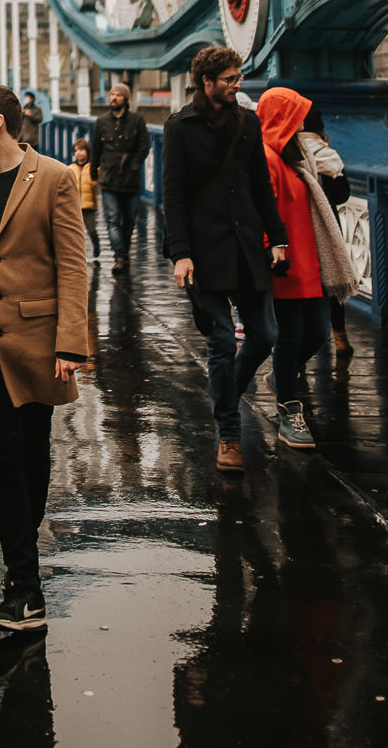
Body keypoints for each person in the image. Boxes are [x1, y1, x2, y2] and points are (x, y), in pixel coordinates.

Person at [0, 84, 88, 630]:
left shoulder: (55, 177)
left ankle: (20, 576)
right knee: (3, 464)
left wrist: (71, 342)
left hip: (37, 341)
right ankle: (26, 589)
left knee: (33, 460)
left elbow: (72, 264)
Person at [162, 46, 288, 474]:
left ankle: (226, 392)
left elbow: (261, 186)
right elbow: (173, 196)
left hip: (247, 245)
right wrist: (181, 253)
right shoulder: (179, 127)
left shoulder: (249, 123)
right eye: (230, 79)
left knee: (265, 335)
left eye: (238, 78)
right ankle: (229, 436)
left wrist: (278, 238)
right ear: (207, 82)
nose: (237, 85)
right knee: (219, 343)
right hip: (204, 251)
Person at [255, 88, 358, 449]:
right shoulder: (266, 158)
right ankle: (289, 411)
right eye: (296, 117)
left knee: (317, 333)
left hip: (312, 261)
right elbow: (261, 209)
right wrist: (269, 249)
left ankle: (280, 377)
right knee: (290, 337)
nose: (301, 124)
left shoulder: (301, 157)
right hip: (285, 263)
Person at [300, 102, 353, 357]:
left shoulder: (289, 153)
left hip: (299, 226)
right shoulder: (327, 154)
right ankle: (340, 338)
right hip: (327, 224)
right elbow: (343, 195)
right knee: (332, 279)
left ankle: (298, 357)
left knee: (302, 286)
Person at [90, 84, 150, 275]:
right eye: (112, 94)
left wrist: (134, 165)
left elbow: (145, 146)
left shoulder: (137, 121)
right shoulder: (101, 122)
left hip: (130, 179)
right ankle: (120, 257)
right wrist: (93, 176)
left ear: (126, 99)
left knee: (130, 220)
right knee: (113, 219)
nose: (114, 98)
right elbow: (95, 151)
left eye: (118, 95)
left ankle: (123, 251)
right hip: (108, 178)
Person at [70, 138, 100, 263]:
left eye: (82, 150)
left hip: (89, 204)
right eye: (76, 151)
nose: (79, 153)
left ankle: (96, 244)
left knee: (91, 229)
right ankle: (78, 253)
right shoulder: (71, 168)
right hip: (74, 205)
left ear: (88, 152)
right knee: (76, 232)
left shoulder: (93, 167)